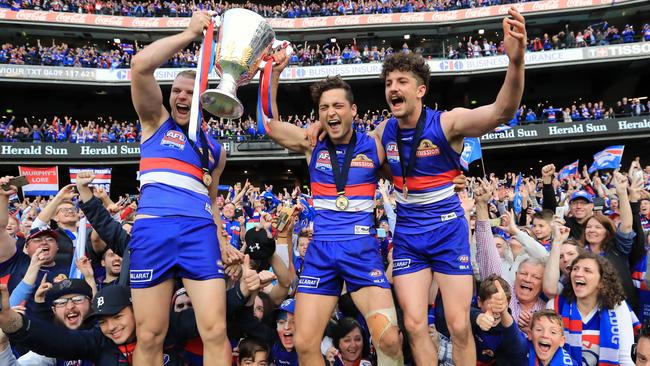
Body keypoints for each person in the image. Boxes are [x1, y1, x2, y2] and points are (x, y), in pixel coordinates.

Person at [372, 7, 527, 365]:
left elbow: (501, 111)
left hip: (448, 231)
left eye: (401, 82)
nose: (393, 88)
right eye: (388, 83)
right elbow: (354, 157)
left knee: (459, 326)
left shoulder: (448, 123)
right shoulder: (383, 131)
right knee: (413, 325)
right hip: (409, 233)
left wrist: (515, 62)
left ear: (421, 90)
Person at [265, 53, 403, 366]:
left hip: (361, 250)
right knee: (304, 343)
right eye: (324, 108)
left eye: (338, 105)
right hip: (322, 251)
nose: (331, 112)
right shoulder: (311, 144)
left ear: (353, 110)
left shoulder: (374, 144)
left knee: (390, 340)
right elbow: (271, 127)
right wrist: (274, 75)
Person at [129, 10, 236, 366]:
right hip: (153, 230)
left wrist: (221, 237)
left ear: (203, 100)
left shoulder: (215, 150)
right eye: (176, 90)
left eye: (190, 92)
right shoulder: (154, 121)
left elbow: (213, 198)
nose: (181, 97)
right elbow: (141, 66)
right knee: (149, 334)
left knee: (216, 332)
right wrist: (190, 33)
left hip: (198, 233)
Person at [0, 284, 201, 365]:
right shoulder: (98, 340)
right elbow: (56, 341)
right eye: (103, 321)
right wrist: (8, 317)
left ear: (135, 310)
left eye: (117, 316)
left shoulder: (164, 324)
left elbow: (217, 311)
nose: (111, 327)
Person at [548, 252, 636, 365]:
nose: (578, 274)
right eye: (575, 269)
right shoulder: (555, 306)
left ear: (601, 282)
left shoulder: (617, 307)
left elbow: (625, 359)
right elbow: (547, 354)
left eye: (587, 270)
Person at [0, 279, 94, 365]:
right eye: (61, 302)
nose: (70, 306)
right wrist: (2, 344)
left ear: (91, 303)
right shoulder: (52, 344)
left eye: (78, 300)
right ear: (54, 310)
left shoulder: (105, 334)